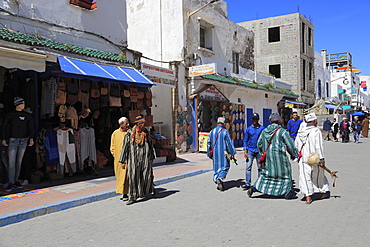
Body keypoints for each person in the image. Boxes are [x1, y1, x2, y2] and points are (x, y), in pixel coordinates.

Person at [247, 113, 297, 200]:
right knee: (285, 174)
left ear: (270, 121)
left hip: (268, 158)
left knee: (266, 174)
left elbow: (259, 144)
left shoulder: (264, 131)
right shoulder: (281, 131)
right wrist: (293, 154)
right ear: (279, 121)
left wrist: (263, 153)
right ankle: (287, 191)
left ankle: (254, 188)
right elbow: (290, 145)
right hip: (280, 157)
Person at [119, 116, 155, 205]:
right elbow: (125, 147)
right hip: (133, 159)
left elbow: (150, 145)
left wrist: (152, 156)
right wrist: (123, 160)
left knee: (147, 175)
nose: (143, 125)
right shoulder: (129, 134)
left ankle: (149, 190)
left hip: (144, 157)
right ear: (137, 124)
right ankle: (132, 197)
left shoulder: (146, 132)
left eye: (143, 123)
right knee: (133, 177)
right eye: (141, 123)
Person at [295, 113, 330, 204]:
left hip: (303, 158)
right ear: (314, 121)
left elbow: (296, 145)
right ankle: (319, 192)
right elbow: (319, 146)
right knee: (317, 175)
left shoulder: (300, 132)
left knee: (304, 177)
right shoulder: (316, 131)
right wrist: (321, 159)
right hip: (314, 158)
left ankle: (307, 197)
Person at [1, 97, 35, 191]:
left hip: (23, 140)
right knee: (11, 161)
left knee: (19, 161)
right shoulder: (10, 115)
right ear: (18, 104)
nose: (24, 105)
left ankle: (15, 180)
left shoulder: (27, 115)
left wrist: (31, 138)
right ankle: (11, 181)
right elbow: (4, 126)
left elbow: (31, 127)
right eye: (22, 103)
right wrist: (3, 138)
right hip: (13, 140)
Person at [207, 117, 236, 191]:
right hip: (223, 153)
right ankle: (220, 178)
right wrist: (232, 153)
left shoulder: (212, 131)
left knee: (216, 167)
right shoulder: (225, 132)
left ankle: (216, 178)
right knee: (225, 167)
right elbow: (229, 144)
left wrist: (209, 153)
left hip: (215, 153)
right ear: (223, 123)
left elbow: (208, 144)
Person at [242, 113, 265, 190]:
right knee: (248, 167)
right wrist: (245, 151)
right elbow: (245, 140)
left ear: (258, 120)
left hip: (259, 151)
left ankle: (259, 183)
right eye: (253, 119)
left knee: (260, 168)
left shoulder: (262, 129)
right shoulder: (248, 129)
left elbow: (264, 139)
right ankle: (248, 183)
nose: (254, 121)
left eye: (256, 119)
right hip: (250, 150)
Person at [110, 117, 130, 201]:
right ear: (121, 125)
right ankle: (123, 193)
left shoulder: (129, 133)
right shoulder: (115, 133)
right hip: (118, 160)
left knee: (128, 176)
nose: (128, 125)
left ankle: (129, 192)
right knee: (120, 176)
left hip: (129, 159)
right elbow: (112, 147)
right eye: (126, 124)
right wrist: (117, 156)